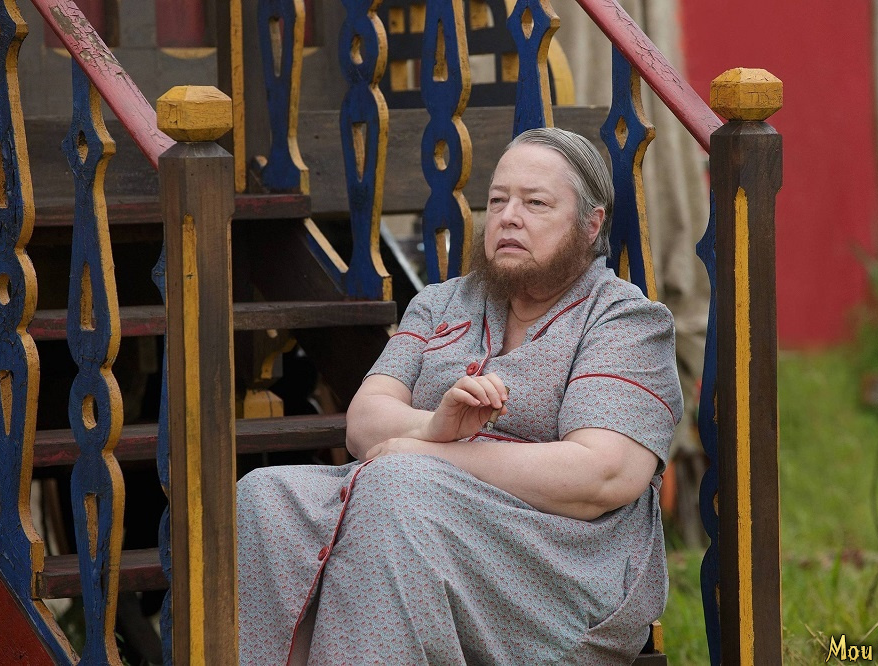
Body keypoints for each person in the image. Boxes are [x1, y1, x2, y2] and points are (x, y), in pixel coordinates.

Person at [237, 127, 683, 665]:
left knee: (397, 487)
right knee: (266, 497)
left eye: (535, 203)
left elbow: (604, 475)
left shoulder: (624, 321)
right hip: (412, 510)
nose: (508, 217)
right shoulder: (441, 303)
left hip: (562, 560)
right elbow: (365, 421)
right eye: (497, 201)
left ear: (591, 225)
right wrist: (430, 429)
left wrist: (430, 458)